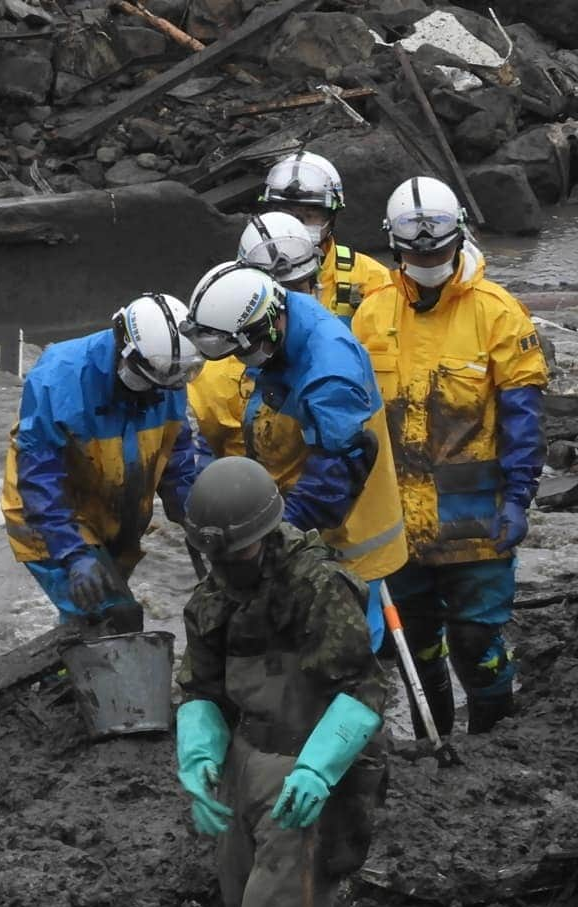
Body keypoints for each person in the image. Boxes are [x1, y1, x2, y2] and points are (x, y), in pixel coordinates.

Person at [174, 457, 387, 907]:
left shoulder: (316, 586)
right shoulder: (213, 597)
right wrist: (199, 755)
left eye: (238, 552)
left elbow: (362, 690)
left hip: (305, 770)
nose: (226, 567)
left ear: (266, 537)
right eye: (213, 556)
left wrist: (319, 770)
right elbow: (201, 688)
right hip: (244, 764)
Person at [352, 176, 549, 734]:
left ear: (459, 236)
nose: (428, 260)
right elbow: (358, 416)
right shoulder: (372, 314)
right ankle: (431, 743)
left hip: (475, 521)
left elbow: (523, 419)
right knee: (414, 645)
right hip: (397, 525)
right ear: (396, 247)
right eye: (416, 252)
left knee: (475, 637)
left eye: (437, 249)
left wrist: (518, 498)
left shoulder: (498, 313)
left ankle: (495, 735)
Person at [181, 263, 407, 651]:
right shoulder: (288, 317)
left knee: (341, 648)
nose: (238, 361)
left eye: (241, 351)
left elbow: (337, 474)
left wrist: (276, 534)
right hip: (298, 514)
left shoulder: (330, 372)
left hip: (347, 538)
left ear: (265, 328)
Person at [1, 293, 202, 631]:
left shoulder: (167, 374)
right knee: (114, 618)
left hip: (117, 514)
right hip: (51, 518)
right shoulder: (58, 379)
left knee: (96, 619)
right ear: (127, 356)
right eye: (149, 386)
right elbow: (39, 479)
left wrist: (193, 515)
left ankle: (68, 666)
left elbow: (176, 454)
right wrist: (72, 553)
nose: (156, 397)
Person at [188, 212, 320, 464]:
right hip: (247, 496)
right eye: (278, 296)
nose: (286, 309)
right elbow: (198, 459)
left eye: (297, 291)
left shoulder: (332, 353)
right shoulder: (216, 374)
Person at [260, 150, 390, 326]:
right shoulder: (246, 278)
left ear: (332, 218)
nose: (296, 226)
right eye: (286, 215)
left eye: (309, 215)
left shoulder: (372, 279)